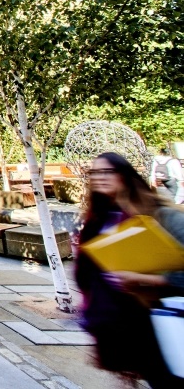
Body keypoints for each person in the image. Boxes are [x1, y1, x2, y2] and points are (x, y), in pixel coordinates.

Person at [76, 152, 184, 387]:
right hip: (127, 325)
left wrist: (145, 279)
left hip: (162, 317)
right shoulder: (98, 220)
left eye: (107, 171)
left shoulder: (160, 215)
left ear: (124, 175)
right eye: (94, 172)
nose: (99, 178)